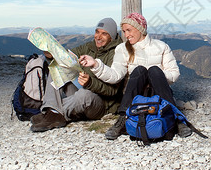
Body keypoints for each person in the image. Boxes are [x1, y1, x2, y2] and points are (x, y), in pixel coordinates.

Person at [79, 12, 192, 140]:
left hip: (157, 92)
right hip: (135, 95)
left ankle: (177, 119)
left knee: (154, 70)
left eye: (129, 30)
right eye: (124, 31)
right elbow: (115, 75)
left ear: (140, 28)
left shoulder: (161, 47)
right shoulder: (122, 49)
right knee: (139, 70)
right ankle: (122, 119)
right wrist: (95, 64)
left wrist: (156, 75)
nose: (126, 35)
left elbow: (174, 73)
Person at [30, 17, 123, 132]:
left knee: (84, 95)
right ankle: (52, 113)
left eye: (104, 34)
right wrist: (52, 56)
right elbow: (66, 58)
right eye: (97, 32)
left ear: (112, 37)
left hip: (101, 104)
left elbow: (112, 91)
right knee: (57, 67)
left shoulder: (117, 53)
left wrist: (90, 83)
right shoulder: (89, 46)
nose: (98, 37)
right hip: (79, 91)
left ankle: (51, 113)